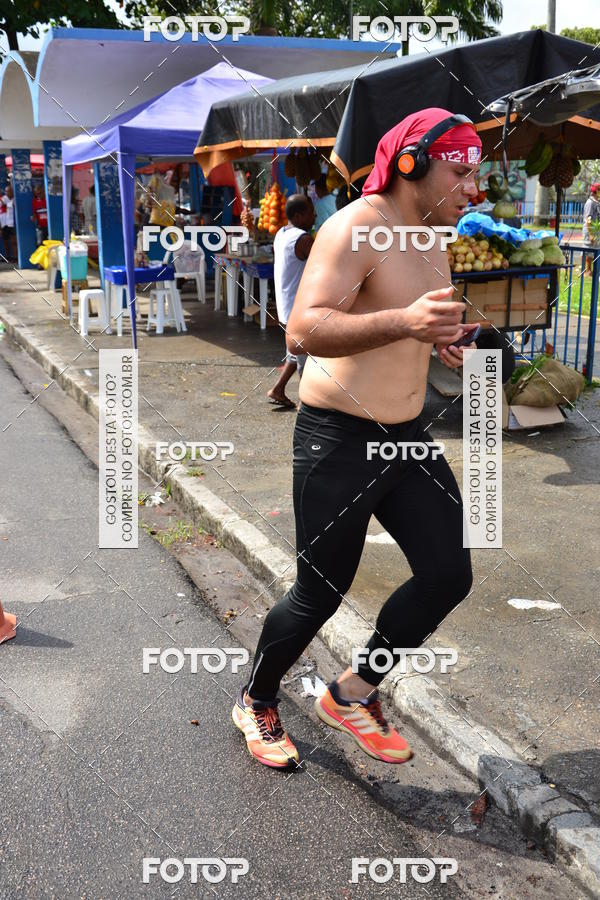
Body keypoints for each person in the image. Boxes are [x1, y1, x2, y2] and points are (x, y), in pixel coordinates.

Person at [233, 108, 479, 769]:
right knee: (320, 592)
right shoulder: (355, 227)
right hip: (338, 440)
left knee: (449, 573)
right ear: (412, 164)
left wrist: (445, 341)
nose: (471, 188)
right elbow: (304, 331)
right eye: (460, 171)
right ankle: (257, 698)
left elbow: (409, 329)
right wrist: (406, 320)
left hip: (406, 437)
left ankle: (351, 692)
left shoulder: (431, 237)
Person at [266, 194, 315, 409]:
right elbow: (324, 263)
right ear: (298, 215)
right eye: (310, 211)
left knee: (295, 352)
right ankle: (308, 405)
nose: (314, 215)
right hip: (300, 307)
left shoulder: (282, 233)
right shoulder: (303, 239)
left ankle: (278, 389)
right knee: (307, 358)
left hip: (287, 305)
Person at [583, 183, 600, 276]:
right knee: (589, 250)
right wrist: (591, 234)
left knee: (596, 249)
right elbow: (588, 219)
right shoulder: (590, 203)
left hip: (596, 231)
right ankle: (588, 270)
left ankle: (594, 270)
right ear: (596, 191)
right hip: (590, 231)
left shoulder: (597, 202)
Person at [1, 184, 17, 261]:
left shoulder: (15, 198)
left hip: (12, 222)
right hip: (4, 223)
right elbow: (3, 204)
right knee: (6, 241)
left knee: (14, 241)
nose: (8, 193)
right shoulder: (3, 198)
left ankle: (15, 256)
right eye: (7, 191)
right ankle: (8, 257)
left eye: (10, 191)